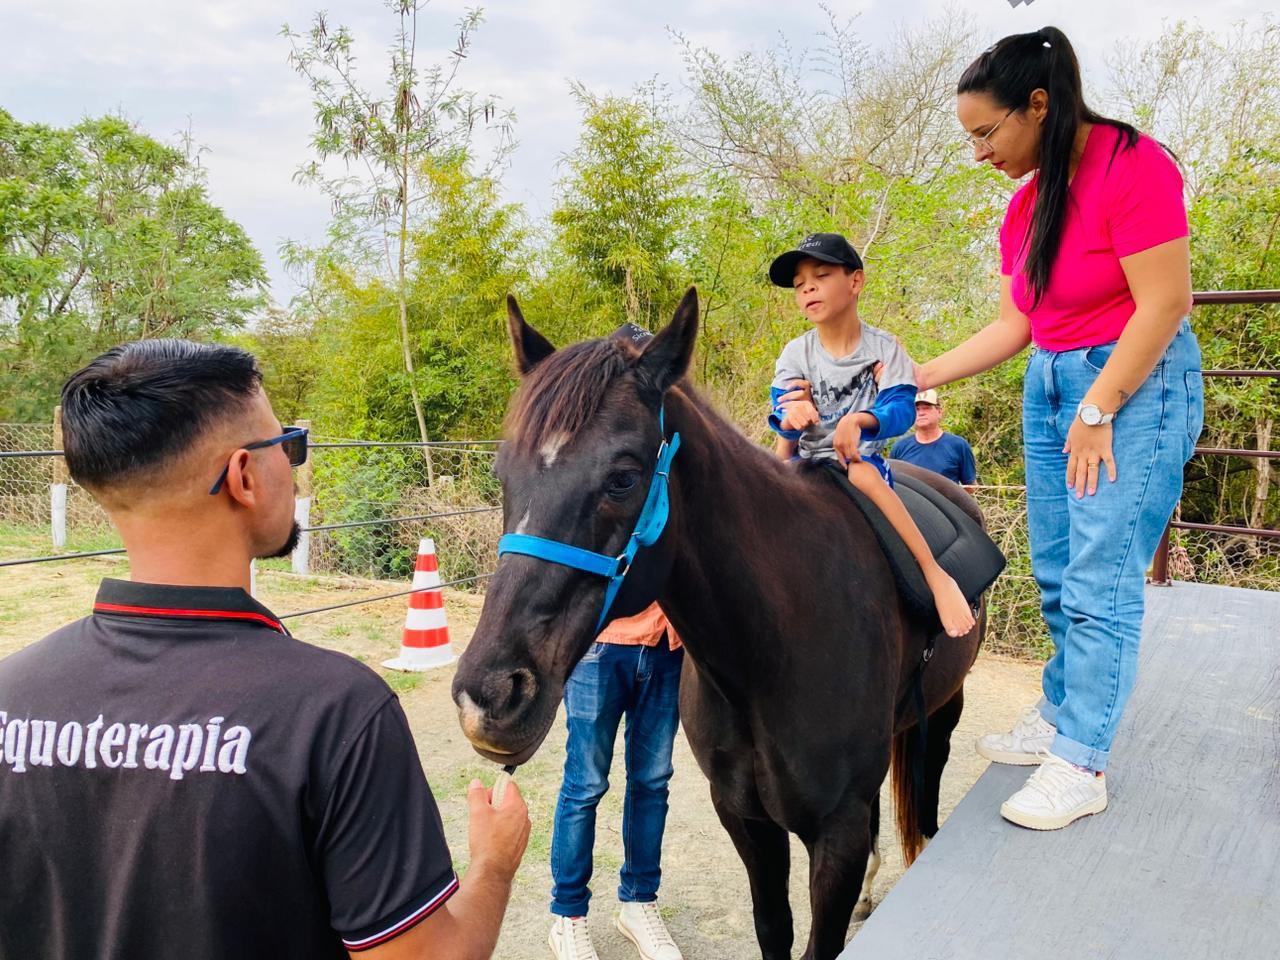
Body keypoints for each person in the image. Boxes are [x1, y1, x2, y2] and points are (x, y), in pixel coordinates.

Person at [0, 340, 530, 960]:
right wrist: (494, 864)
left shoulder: (11, 692)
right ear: (243, 477)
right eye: (289, 444)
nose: (294, 465)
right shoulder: (333, 712)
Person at [916, 26, 1203, 830]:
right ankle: (1063, 705)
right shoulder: (1027, 205)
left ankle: (1082, 760)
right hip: (1050, 381)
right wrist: (921, 373)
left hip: (1130, 386)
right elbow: (1018, 325)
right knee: (1052, 568)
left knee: (1100, 578)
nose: (978, 153)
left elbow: (1165, 303)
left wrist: (1098, 408)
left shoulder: (1132, 165)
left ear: (1037, 105)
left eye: (985, 132)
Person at [769, 232, 977, 638]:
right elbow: (782, 405)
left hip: (860, 458)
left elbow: (900, 408)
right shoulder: (796, 353)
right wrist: (791, 414)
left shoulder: (884, 349)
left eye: (821, 275)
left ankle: (934, 575)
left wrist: (860, 419)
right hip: (808, 458)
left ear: (855, 281)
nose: (807, 287)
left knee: (862, 473)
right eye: (798, 285)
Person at [548, 602, 685, 960]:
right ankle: (568, 915)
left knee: (652, 784)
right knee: (584, 787)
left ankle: (639, 903)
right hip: (599, 642)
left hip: (667, 645)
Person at [890, 389, 978, 488]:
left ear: (939, 412)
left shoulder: (958, 445)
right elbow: (893, 485)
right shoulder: (900, 448)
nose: (921, 413)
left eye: (926, 408)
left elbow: (970, 487)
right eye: (916, 409)